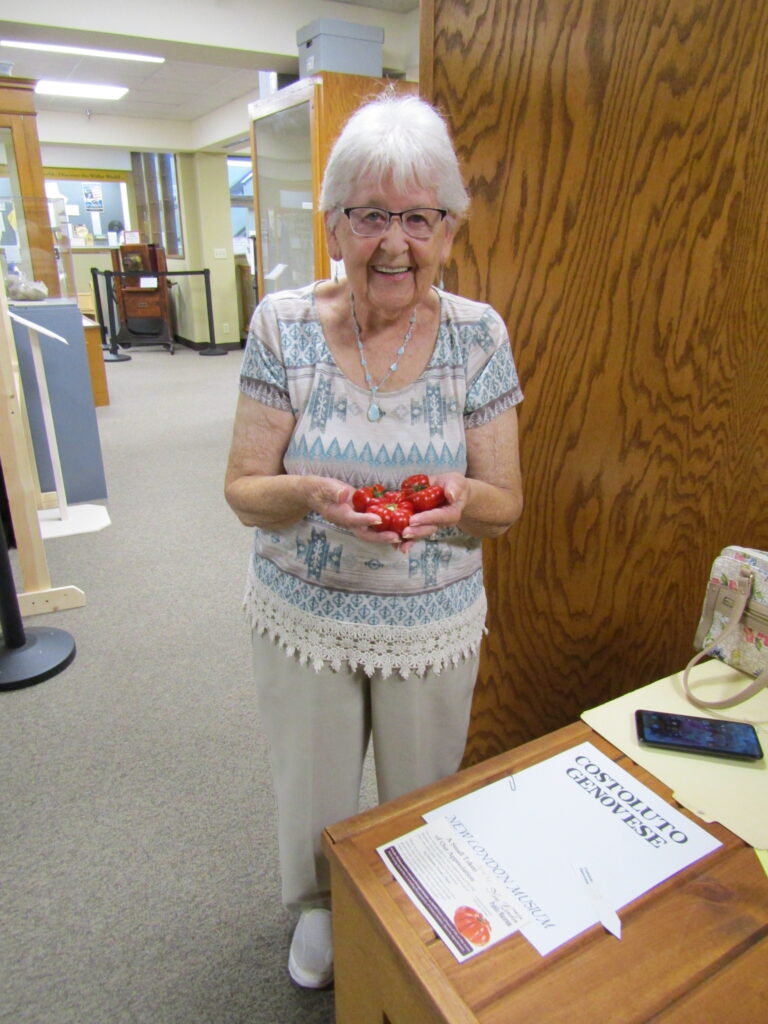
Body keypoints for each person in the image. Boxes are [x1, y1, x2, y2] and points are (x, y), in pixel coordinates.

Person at [224, 90, 524, 989]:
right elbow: (243, 490)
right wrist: (313, 496)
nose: (395, 241)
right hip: (304, 606)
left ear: (449, 226)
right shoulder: (282, 326)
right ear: (333, 224)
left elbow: (507, 503)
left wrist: (466, 493)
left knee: (421, 794)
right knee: (311, 783)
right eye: (370, 215)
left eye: (418, 217)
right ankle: (318, 907)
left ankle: (402, 913)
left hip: (430, 614)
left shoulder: (480, 336)